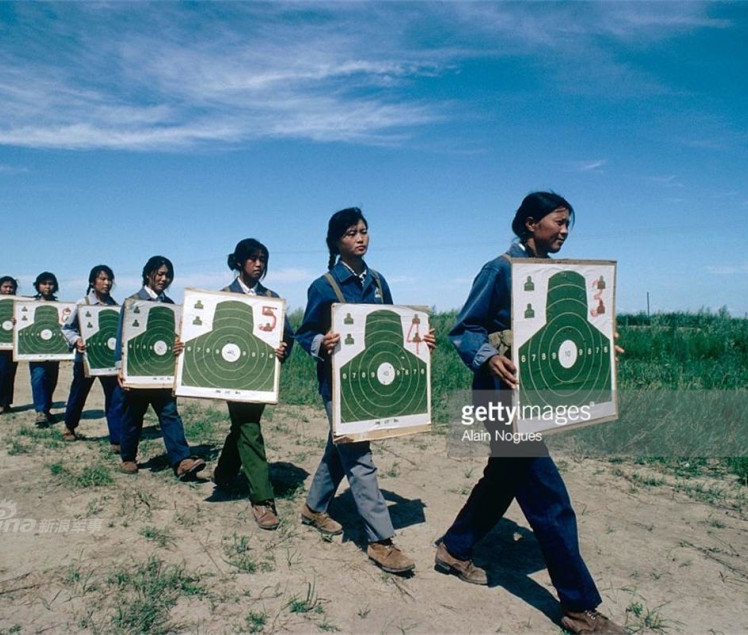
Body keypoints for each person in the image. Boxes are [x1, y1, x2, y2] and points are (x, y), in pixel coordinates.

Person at [435, 192, 624, 634]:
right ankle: (578, 606)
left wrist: (601, 349)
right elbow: (464, 328)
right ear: (530, 223)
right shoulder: (500, 269)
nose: (564, 231)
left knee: (504, 479)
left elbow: (567, 330)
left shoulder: (554, 275)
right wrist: (487, 355)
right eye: (558, 222)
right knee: (549, 498)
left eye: (567, 224)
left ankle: (453, 548)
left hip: (531, 400)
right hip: (499, 399)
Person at [295, 207, 435, 574]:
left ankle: (313, 508)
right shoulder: (324, 285)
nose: (361, 237)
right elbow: (304, 332)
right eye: (351, 233)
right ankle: (380, 541)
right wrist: (320, 343)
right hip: (338, 386)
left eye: (364, 230)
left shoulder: (378, 282)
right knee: (359, 456)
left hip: (371, 384)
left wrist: (419, 341)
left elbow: (392, 328)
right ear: (336, 241)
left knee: (340, 446)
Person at [213, 238, 295, 530]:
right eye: (252, 258)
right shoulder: (222, 297)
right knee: (249, 427)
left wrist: (283, 350)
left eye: (263, 259)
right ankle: (262, 499)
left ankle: (223, 473)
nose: (258, 264)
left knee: (244, 426)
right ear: (239, 262)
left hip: (260, 376)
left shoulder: (272, 298)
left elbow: (288, 335)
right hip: (231, 376)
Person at [115, 255, 205, 480]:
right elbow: (120, 338)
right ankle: (128, 457)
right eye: (160, 273)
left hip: (163, 372)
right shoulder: (133, 302)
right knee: (133, 415)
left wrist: (178, 346)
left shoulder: (170, 306)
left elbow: (177, 337)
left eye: (168, 275)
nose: (164, 279)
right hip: (137, 370)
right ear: (148, 274)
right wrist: (120, 368)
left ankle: (182, 460)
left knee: (169, 413)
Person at [61, 265, 122, 448]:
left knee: (114, 398)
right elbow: (67, 328)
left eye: (109, 279)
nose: (107, 283)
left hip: (108, 362)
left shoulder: (115, 306)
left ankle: (116, 438)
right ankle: (69, 426)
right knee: (79, 395)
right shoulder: (83, 304)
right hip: (85, 361)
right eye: (102, 279)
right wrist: (77, 341)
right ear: (92, 282)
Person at [30, 271, 61, 427]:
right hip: (35, 349)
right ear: (38, 286)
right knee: (39, 376)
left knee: (51, 380)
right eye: (44, 283)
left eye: (50, 283)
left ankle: (46, 409)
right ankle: (40, 412)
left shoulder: (59, 306)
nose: (47, 286)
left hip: (54, 349)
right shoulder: (28, 305)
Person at [0, 276, 19, 415]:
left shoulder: (19, 304)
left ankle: (6, 402)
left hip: (13, 345)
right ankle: (1, 402)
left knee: (10, 372)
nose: (8, 289)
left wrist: (17, 320)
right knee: (0, 370)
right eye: (5, 287)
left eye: (11, 287)